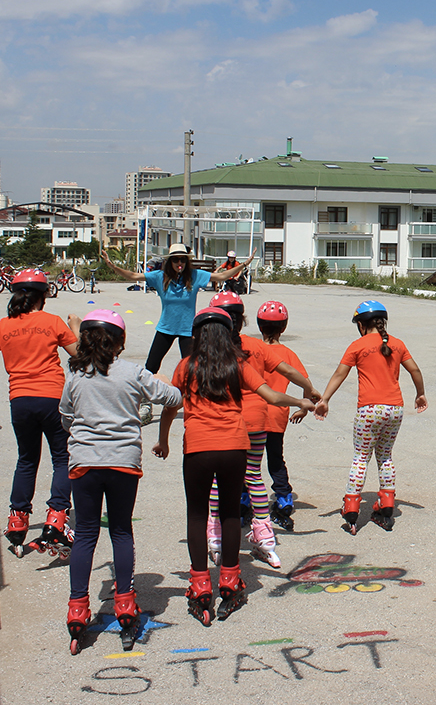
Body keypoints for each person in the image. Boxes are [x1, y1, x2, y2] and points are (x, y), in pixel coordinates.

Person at [152, 307, 313, 626]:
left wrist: (164, 440)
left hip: (197, 447)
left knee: (197, 515)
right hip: (234, 446)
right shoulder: (236, 363)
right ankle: (229, 581)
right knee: (229, 513)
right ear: (229, 334)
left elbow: (172, 406)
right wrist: (301, 401)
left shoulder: (186, 365)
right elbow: (270, 395)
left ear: (196, 335)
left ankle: (200, 584)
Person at [59, 310, 181, 655]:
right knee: (121, 530)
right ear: (121, 342)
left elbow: (65, 416)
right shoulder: (132, 372)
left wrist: (85, 430)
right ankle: (125, 603)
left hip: (85, 462)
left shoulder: (76, 376)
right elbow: (173, 397)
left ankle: (78, 607)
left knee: (85, 533)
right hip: (123, 462)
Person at [0, 268, 80, 560]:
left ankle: (17, 521)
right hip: (52, 398)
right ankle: (56, 518)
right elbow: (79, 353)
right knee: (62, 457)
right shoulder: (52, 322)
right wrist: (76, 326)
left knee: (27, 459)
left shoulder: (4, 326)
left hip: (21, 401)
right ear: (43, 296)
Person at [204, 292, 319, 569]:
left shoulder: (207, 350)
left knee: (220, 478)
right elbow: (290, 372)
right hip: (263, 418)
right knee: (259, 471)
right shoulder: (256, 347)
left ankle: (215, 532)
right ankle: (267, 530)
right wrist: (309, 394)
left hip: (226, 421)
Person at [315, 300, 427, 536]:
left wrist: (325, 399)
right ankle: (387, 506)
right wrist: (420, 394)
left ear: (361, 324)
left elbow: (339, 374)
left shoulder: (358, 345)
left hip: (369, 410)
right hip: (395, 410)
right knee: (385, 457)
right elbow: (415, 370)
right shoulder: (397, 344)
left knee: (360, 458)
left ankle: (352, 509)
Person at [101, 242, 252, 374]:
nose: (179, 263)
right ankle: (146, 401)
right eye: (175, 259)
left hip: (188, 330)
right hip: (166, 328)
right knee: (151, 366)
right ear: (170, 261)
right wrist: (111, 265)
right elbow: (133, 276)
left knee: (191, 368)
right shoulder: (160, 276)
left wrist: (244, 264)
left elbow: (221, 277)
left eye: (183, 259)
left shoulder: (195, 275)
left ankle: (190, 400)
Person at [256, 300, 309, 532]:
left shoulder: (251, 350)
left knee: (249, 460)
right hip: (277, 416)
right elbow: (305, 383)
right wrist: (303, 408)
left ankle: (244, 498)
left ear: (259, 326)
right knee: (275, 459)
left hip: (251, 416)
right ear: (284, 327)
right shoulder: (288, 354)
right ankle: (284, 497)